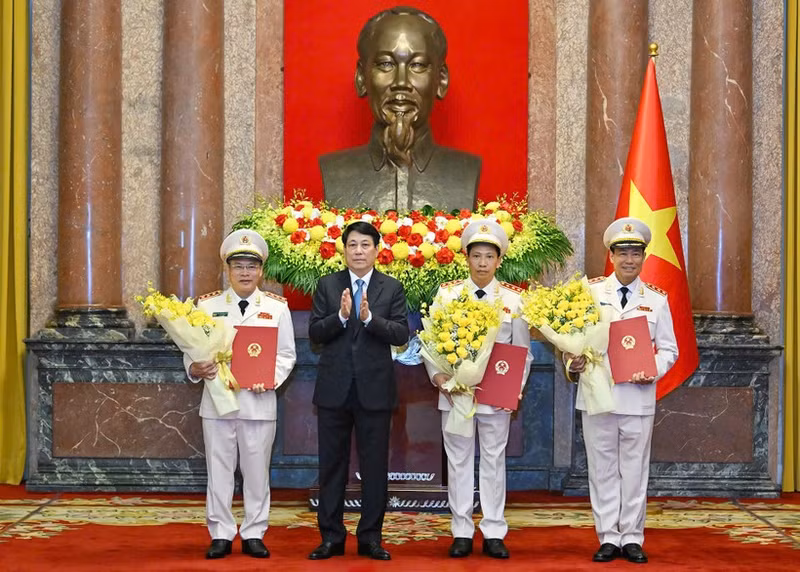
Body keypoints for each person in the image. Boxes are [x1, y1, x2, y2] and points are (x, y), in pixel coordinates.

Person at [564, 217, 678, 564]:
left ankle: (632, 536)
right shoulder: (589, 293)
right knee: (601, 469)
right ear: (610, 256)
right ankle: (608, 537)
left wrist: (652, 371)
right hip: (598, 396)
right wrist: (573, 364)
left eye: (636, 253)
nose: (629, 259)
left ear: (644, 257)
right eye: (622, 252)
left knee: (634, 470)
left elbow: (670, 350)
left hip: (637, 397)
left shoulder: (656, 300)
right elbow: (571, 343)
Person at [184, 229, 297, 559]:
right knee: (218, 470)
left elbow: (286, 354)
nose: (245, 272)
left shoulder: (276, 308)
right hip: (218, 402)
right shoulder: (207, 305)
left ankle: (253, 531)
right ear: (227, 270)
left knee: (257, 471)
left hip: (259, 402)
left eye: (251, 266)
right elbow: (191, 349)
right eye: (238, 266)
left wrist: (270, 379)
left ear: (261, 270)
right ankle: (220, 532)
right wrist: (195, 368)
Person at [424, 220, 532, 559]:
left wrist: (513, 390)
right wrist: (438, 377)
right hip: (456, 394)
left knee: (493, 460)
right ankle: (461, 531)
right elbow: (431, 341)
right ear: (466, 259)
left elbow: (522, 352)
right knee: (457, 462)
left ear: (499, 261)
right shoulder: (448, 294)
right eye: (477, 256)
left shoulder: (513, 300)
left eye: (489, 256)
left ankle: (494, 530)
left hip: (496, 397)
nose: (483, 262)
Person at [307, 221, 409, 561]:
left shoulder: (391, 288)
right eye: (352, 245)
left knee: (375, 467)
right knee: (331, 466)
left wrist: (367, 320)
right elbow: (316, 334)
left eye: (365, 245)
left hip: (374, 391)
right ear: (344, 249)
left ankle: (370, 538)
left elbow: (400, 334)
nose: (359, 251)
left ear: (377, 250)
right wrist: (340, 315)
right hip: (334, 390)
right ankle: (331, 537)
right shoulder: (327, 285)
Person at [320, 6, 481, 212]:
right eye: (386, 64)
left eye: (418, 65)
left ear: (441, 79)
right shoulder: (335, 170)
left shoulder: (466, 170)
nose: (401, 82)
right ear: (361, 78)